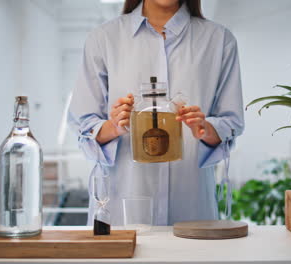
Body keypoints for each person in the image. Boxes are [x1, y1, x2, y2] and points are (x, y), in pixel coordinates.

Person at [68, 0, 244, 226]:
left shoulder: (219, 40)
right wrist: (113, 126)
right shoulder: (103, 38)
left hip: (191, 208)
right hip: (122, 211)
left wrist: (206, 128)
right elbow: (83, 123)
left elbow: (232, 122)